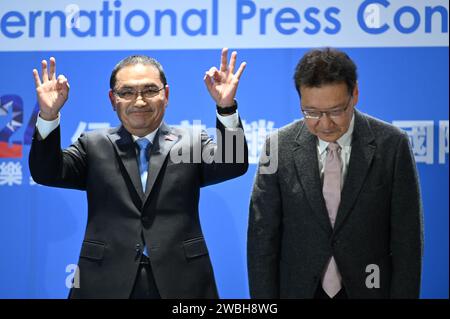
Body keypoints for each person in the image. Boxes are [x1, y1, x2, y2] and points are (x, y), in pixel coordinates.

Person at [29, 48, 248, 299]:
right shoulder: (93, 144)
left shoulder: (192, 142)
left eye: (150, 90)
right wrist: (48, 116)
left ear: (166, 95)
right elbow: (46, 173)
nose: (140, 101)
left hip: (183, 281)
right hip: (104, 281)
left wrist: (227, 107)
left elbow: (233, 164)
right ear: (113, 99)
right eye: (127, 92)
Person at [247, 48, 424, 299]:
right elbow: (262, 238)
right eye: (312, 113)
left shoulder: (392, 145)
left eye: (336, 111)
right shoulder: (277, 147)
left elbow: (407, 242)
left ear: (355, 94)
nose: (325, 123)